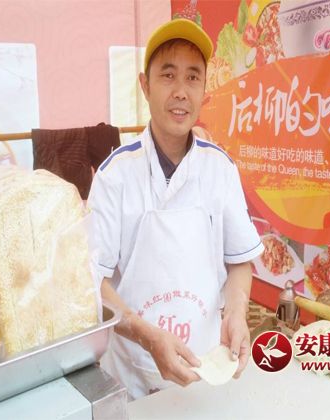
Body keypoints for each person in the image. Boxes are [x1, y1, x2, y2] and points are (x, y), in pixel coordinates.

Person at [88, 18, 264, 400]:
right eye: (168, 76)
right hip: (132, 377)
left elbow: (239, 261)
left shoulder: (220, 169)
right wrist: (146, 335)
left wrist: (236, 312)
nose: (181, 92)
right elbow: (92, 283)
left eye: (193, 77)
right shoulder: (115, 175)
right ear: (145, 85)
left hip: (204, 371)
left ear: (204, 89)